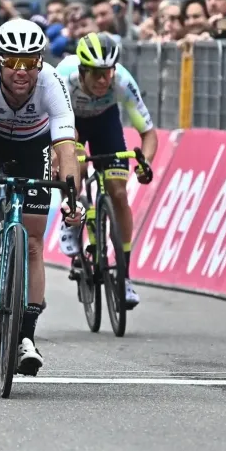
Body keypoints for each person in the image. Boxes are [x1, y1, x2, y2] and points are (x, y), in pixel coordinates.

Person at [0, 18, 83, 375]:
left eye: (30, 62)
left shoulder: (53, 83)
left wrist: (72, 198)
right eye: (13, 61)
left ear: (40, 61)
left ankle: (26, 336)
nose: (21, 71)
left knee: (34, 241)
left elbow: (67, 150)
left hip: (33, 145)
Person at [54, 32, 157, 309]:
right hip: (69, 122)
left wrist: (145, 163)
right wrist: (63, 154)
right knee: (72, 168)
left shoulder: (121, 81)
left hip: (105, 123)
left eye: (107, 73)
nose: (103, 80)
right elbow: (50, 125)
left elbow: (148, 133)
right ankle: (71, 215)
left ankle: (124, 276)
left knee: (119, 193)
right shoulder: (62, 78)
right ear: (82, 70)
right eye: (96, 74)